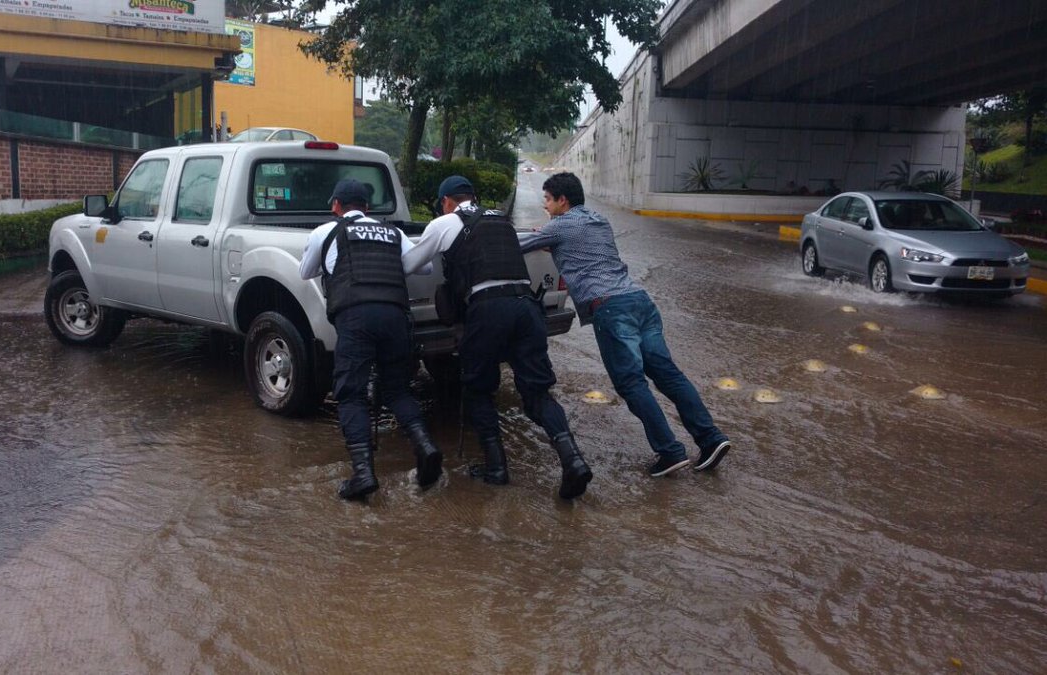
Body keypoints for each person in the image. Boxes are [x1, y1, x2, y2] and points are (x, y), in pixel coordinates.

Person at [521, 172, 731, 476]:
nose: (546, 206)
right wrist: (552, 237)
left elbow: (521, 244)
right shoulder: (598, 220)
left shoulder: (560, 226)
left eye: (548, 200)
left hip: (609, 308)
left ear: (562, 201)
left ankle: (670, 451)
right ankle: (711, 438)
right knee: (668, 375)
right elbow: (574, 243)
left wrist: (546, 235)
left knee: (630, 382)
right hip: (639, 300)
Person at [402, 175, 592, 500]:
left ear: (446, 201)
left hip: (488, 310)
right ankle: (573, 460)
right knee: (537, 393)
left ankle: (497, 469)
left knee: (477, 390)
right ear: (473, 196)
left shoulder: (445, 222)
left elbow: (409, 264)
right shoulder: (502, 220)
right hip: (527, 307)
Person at [299, 178, 442, 500]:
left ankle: (363, 474)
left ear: (336, 205)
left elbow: (305, 272)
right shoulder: (393, 232)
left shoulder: (326, 232)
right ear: (367, 206)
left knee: (350, 394)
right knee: (397, 388)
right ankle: (426, 446)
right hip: (395, 316)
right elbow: (424, 266)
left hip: (355, 317)